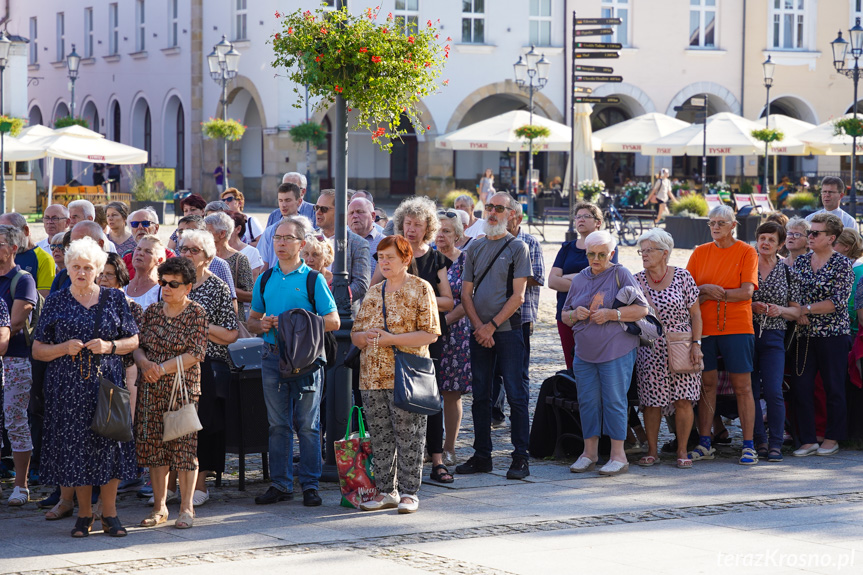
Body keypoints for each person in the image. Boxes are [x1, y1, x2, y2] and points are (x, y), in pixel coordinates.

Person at [33, 237, 139, 538]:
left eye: (88, 267)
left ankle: (110, 514)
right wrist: (63, 348)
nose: (81, 272)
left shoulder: (114, 299)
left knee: (109, 448)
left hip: (105, 385)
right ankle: (83, 514)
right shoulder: (55, 301)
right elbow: (38, 350)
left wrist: (110, 345)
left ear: (98, 269)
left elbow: (133, 340)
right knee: (76, 451)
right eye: (76, 266)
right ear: (67, 268)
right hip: (66, 388)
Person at [248, 216, 339, 507]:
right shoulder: (264, 279)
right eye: (277, 238)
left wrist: (298, 324)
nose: (281, 243)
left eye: (288, 238)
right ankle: (281, 484)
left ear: (301, 244)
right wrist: (262, 326)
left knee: (309, 425)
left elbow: (333, 321)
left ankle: (310, 484)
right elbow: (251, 321)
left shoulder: (314, 279)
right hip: (273, 357)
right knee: (277, 425)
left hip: (307, 360)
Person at [352, 235, 441, 513]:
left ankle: (409, 492)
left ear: (406, 259)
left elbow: (430, 334)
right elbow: (355, 335)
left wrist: (391, 339)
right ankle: (385, 490)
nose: (384, 262)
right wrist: (364, 336)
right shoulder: (373, 292)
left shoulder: (420, 288)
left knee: (410, 435)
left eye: (390, 257)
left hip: (407, 375)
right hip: (371, 376)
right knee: (379, 436)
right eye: (380, 257)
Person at [371, 196, 454, 483]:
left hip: (425, 339)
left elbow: (448, 301)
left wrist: (421, 293)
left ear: (428, 227)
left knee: (428, 398)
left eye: (418, 225)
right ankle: (397, 465)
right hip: (388, 342)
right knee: (392, 402)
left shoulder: (435, 258)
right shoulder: (388, 252)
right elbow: (373, 291)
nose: (412, 229)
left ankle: (437, 460)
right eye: (408, 223)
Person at [455, 192, 532, 480]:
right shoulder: (475, 247)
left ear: (511, 213)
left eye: (499, 208)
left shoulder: (517, 248)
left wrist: (491, 326)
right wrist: (479, 327)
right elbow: (465, 293)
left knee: (516, 394)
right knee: (480, 396)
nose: (492, 212)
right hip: (479, 333)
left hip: (509, 331)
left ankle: (521, 457)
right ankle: (482, 456)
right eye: (489, 207)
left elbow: (518, 296)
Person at [560, 230, 647, 476]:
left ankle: (618, 455)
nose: (596, 259)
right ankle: (589, 453)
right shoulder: (579, 279)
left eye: (601, 254)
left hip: (616, 349)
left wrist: (612, 314)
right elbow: (565, 315)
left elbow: (642, 309)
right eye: (591, 254)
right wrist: (575, 314)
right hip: (585, 351)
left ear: (611, 253)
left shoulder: (620, 273)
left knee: (614, 401)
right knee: (587, 401)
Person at [133, 257, 208, 529]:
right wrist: (143, 362)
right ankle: (159, 507)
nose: (166, 287)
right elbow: (138, 345)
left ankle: (187, 508)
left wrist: (161, 369)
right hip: (151, 388)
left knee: (184, 448)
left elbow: (196, 353)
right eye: (163, 282)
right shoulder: (152, 311)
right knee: (155, 449)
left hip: (182, 389)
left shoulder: (196, 312)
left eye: (173, 284)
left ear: (188, 287)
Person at [686, 205, 760, 466]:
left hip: (738, 326)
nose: (715, 226)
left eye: (721, 222)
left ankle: (749, 445)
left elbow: (747, 292)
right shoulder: (699, 252)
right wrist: (704, 289)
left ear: (733, 225)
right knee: (706, 386)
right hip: (704, 328)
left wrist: (712, 293)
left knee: (743, 387)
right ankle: (705, 441)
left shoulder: (747, 251)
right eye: (711, 222)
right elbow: (688, 291)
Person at [632, 228, 704, 469]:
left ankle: (683, 450)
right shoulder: (636, 280)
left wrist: (696, 344)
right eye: (641, 250)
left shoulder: (683, 277)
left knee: (684, 400)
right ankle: (652, 451)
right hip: (650, 347)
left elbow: (696, 315)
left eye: (648, 250)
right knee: (651, 402)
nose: (644, 254)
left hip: (682, 344)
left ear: (664, 252)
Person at [178, 230, 239, 505]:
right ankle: (171, 482)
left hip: (209, 365)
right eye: (184, 249)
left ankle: (200, 484)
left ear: (208, 257)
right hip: (176, 364)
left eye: (194, 250)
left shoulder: (218, 287)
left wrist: (197, 325)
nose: (187, 254)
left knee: (204, 427)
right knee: (176, 426)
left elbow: (229, 334)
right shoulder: (173, 284)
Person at [790, 213, 854, 457]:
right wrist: (799, 310)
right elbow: (793, 290)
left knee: (833, 386)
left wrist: (804, 309)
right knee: (802, 385)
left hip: (833, 334)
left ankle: (832, 437)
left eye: (816, 233)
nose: (810, 237)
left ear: (831, 238)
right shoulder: (803, 261)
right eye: (810, 232)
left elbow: (837, 302)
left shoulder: (842, 264)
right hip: (804, 332)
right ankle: (808, 439)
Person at [750, 221, 801, 462]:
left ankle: (776, 443)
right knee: (749, 391)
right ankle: (757, 440)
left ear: (781, 244)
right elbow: (735, 298)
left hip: (774, 336)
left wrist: (779, 310)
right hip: (746, 334)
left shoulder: (788, 271)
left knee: (773, 391)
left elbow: (797, 312)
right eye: (762, 238)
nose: (765, 243)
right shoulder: (746, 266)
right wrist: (752, 306)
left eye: (771, 239)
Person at [492, 200, 545, 427]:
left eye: (507, 215)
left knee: (518, 372)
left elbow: (539, 278)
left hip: (520, 318)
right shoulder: (491, 240)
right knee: (493, 370)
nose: (501, 219)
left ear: (518, 218)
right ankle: (495, 413)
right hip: (491, 316)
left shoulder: (530, 241)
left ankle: (519, 416)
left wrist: (512, 277)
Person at [548, 202, 619, 369]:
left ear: (598, 223)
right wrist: (584, 277)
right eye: (578, 216)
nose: (580, 220)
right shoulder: (566, 248)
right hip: (567, 314)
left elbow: (604, 280)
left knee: (596, 364)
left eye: (586, 216)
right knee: (572, 365)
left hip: (595, 315)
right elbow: (552, 281)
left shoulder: (608, 247)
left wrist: (568, 277)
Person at [0, 224, 37, 506]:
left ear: (14, 248)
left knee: (15, 420)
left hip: (15, 359)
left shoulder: (22, 279)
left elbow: (13, 323)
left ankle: (21, 486)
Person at [435, 210, 471, 466]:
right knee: (425, 390)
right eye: (437, 230)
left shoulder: (467, 261)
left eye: (446, 230)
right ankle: (430, 445)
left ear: (457, 236)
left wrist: (443, 323)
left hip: (455, 332)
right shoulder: (426, 259)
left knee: (451, 391)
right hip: (426, 332)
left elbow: (469, 299)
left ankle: (449, 448)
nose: (440, 235)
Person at [314, 189, 370, 307]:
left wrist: (332, 298)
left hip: (342, 314)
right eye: (316, 208)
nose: (318, 212)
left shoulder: (358, 243)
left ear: (339, 211)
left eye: (324, 209)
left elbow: (361, 284)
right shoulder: (308, 239)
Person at [206, 212, 253, 324]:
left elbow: (251, 295)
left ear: (222, 234)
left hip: (232, 321)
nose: (203, 236)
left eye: (208, 232)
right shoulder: (203, 258)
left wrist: (225, 288)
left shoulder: (239, 259)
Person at [258, 183, 316, 270]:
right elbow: (262, 264)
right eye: (280, 200)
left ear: (299, 202)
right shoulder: (269, 231)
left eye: (288, 200)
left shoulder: (309, 232)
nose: (283, 205)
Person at [0, 212, 56, 297]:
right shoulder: (3, 254)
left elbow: (43, 298)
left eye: (9, 232)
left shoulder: (44, 258)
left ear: (26, 230)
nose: (4, 236)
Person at [122, 208, 174, 276]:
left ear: (156, 228)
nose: (140, 227)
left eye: (145, 223)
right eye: (135, 224)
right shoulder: (127, 259)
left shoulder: (168, 257)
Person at [834, 227, 863, 335]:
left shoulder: (859, 270)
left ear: (846, 247)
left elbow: (851, 307)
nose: (831, 246)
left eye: (835, 242)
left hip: (851, 332)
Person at [126, 235, 166, 309]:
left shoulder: (161, 291)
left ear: (159, 260)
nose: (140, 253)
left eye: (148, 251)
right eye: (138, 249)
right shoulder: (123, 286)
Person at [348, 197, 385, 275]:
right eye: (351, 213)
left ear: (373, 216)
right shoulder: (340, 242)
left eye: (359, 212)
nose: (354, 216)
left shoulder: (384, 243)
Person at [227, 210, 264, 282]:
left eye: (226, 226)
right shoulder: (214, 252)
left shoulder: (252, 252)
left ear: (238, 229)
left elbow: (252, 289)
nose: (221, 230)